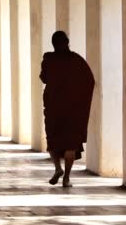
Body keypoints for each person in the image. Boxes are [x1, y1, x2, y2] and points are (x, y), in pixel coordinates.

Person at [40, 31, 95, 188]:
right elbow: (90, 80)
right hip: (73, 109)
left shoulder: (48, 58)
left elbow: (44, 77)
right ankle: (67, 178)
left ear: (53, 44)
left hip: (54, 107)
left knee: (53, 140)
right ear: (68, 42)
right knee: (70, 144)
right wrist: (80, 99)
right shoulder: (76, 60)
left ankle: (58, 168)